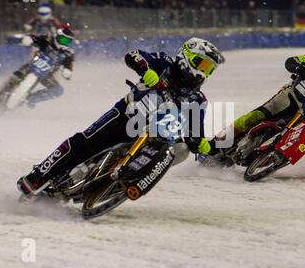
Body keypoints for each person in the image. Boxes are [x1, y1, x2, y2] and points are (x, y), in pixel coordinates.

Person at [17, 37, 226, 195]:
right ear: (187, 57)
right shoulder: (164, 63)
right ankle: (38, 176)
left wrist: (204, 146)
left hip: (154, 137)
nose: (204, 73)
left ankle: (116, 187)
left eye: (210, 69)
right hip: (126, 115)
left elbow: (194, 133)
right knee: (85, 142)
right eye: (202, 64)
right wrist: (146, 70)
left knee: (179, 150)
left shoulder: (198, 100)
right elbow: (134, 55)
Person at [205, 35, 305, 179]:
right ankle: (212, 146)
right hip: (288, 99)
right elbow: (293, 61)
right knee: (252, 118)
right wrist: (298, 67)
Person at [0, 24, 75, 107]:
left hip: (47, 75)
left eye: (68, 41)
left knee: (58, 90)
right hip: (32, 65)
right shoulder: (47, 40)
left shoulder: (68, 54)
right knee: (16, 76)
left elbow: (69, 65)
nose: (64, 43)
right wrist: (29, 39)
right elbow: (35, 38)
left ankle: (32, 99)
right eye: (63, 39)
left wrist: (67, 71)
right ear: (56, 36)